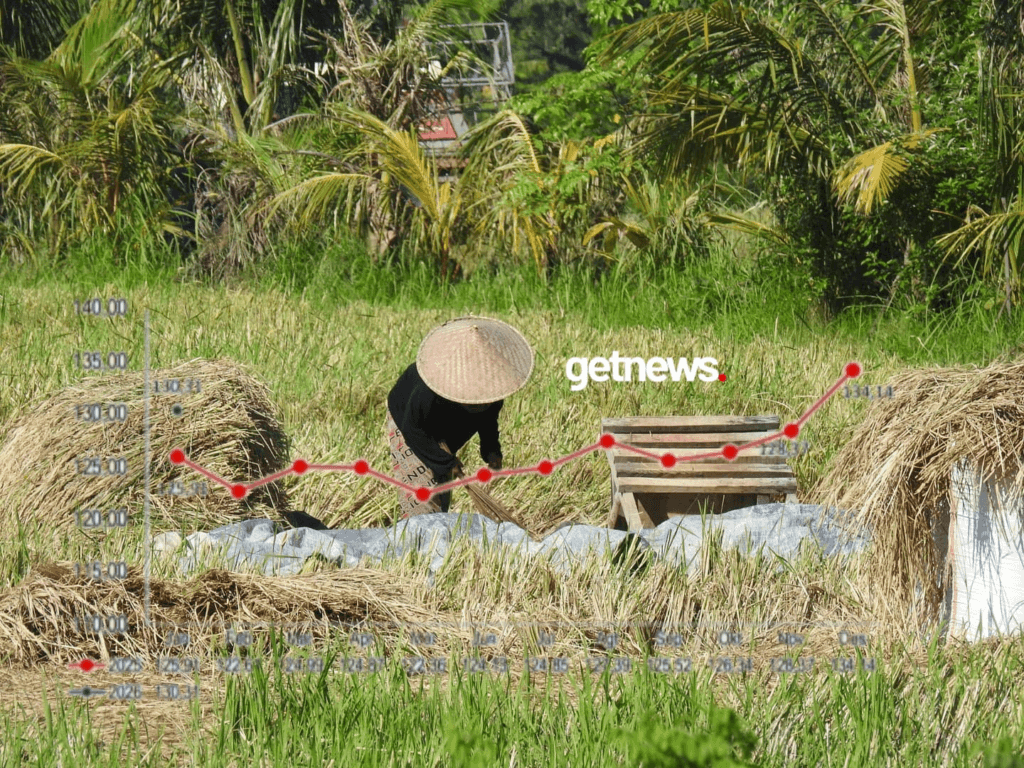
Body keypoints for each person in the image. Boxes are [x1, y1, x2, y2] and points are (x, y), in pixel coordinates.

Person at [386, 316, 534, 519]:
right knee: (421, 493)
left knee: (441, 487)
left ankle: (437, 526)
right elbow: (413, 429)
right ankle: (418, 535)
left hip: (444, 428)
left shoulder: (494, 391)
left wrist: (491, 450)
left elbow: (488, 422)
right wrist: (445, 461)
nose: (480, 405)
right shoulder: (427, 393)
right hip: (410, 424)